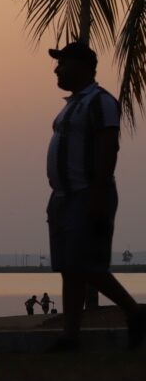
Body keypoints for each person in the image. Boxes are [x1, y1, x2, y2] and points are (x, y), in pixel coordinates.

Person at [46, 42, 146, 350]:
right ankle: (70, 336)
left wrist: (98, 195)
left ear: (81, 66)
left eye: (62, 63)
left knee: (87, 265)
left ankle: (134, 312)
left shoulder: (100, 102)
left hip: (86, 194)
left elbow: (107, 147)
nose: (57, 69)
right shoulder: (73, 105)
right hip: (64, 197)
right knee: (70, 268)